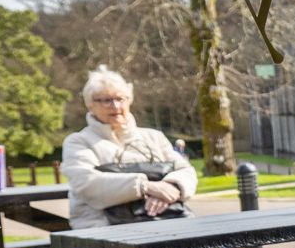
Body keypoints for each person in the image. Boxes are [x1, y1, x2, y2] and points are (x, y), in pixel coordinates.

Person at [61, 67, 198, 230]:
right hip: (104, 227)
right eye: (106, 100)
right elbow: (86, 183)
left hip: (165, 219)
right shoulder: (79, 142)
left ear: (129, 101)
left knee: (202, 241)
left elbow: (185, 170)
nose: (115, 105)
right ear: (90, 105)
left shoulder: (154, 137)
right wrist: (146, 187)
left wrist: (170, 188)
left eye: (120, 99)